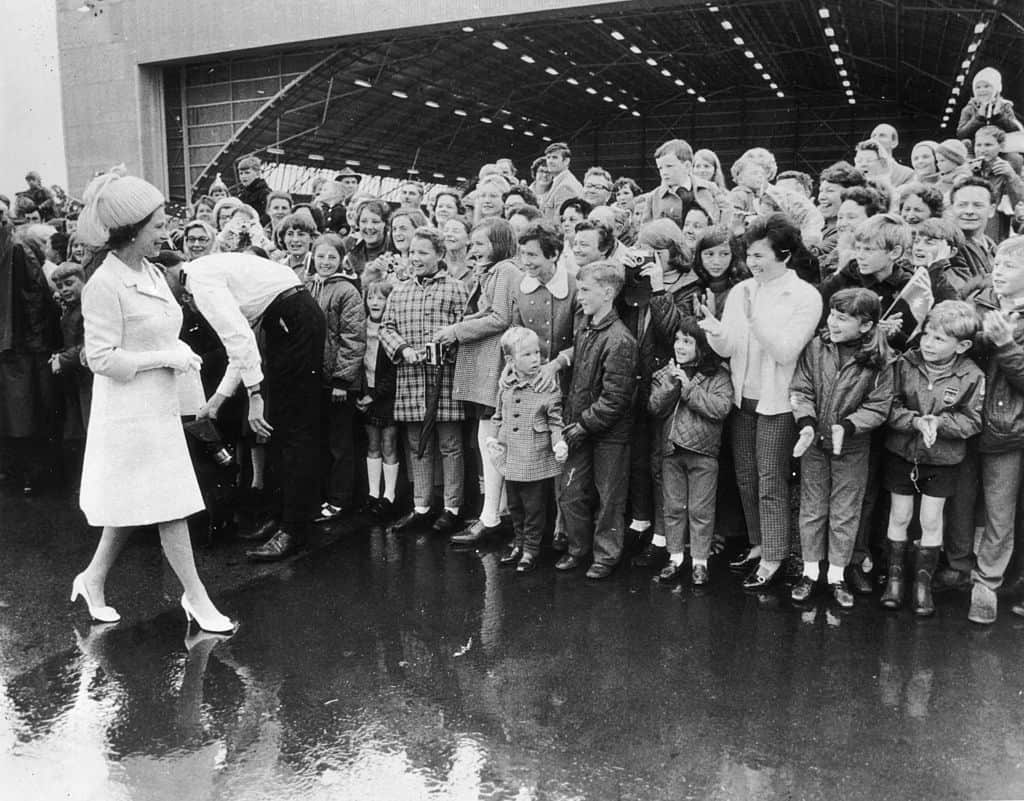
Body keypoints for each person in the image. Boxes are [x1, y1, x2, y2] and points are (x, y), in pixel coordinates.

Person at [71, 172, 233, 633]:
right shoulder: (103, 284)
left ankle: (93, 578)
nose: (167, 232)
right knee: (168, 503)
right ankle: (196, 597)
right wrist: (166, 356)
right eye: (158, 225)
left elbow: (164, 331)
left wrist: (180, 361)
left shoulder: (154, 272)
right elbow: (100, 358)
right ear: (131, 230)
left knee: (138, 502)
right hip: (126, 412)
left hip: (159, 405)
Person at [699, 214, 822, 589]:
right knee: (747, 479)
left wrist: (755, 321)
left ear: (783, 253)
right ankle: (758, 544)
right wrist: (713, 328)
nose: (752, 262)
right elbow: (730, 347)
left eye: (759, 254)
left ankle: (774, 556)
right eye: (749, 255)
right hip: (743, 399)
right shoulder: (742, 291)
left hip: (779, 402)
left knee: (771, 481)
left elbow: (786, 352)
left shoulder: (805, 296)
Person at [178, 251, 326, 562]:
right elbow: (240, 350)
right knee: (280, 431)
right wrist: (217, 400)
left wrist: (255, 397)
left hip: (293, 316)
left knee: (294, 431)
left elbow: (239, 338)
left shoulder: (200, 282)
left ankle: (294, 529)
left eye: (184, 301)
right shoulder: (202, 273)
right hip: (284, 316)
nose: (188, 306)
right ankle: (282, 518)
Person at [789, 289, 894, 607]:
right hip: (814, 443)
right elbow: (801, 386)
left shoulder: (881, 360)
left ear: (865, 325)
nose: (832, 322)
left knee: (845, 512)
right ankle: (810, 573)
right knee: (812, 508)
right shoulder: (816, 347)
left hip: (852, 447)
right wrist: (806, 422)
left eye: (842, 317)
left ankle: (836, 576)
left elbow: (879, 405)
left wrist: (847, 427)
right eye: (832, 314)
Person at [879, 301, 983, 616]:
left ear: (962, 345)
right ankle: (896, 580)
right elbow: (889, 405)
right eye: (926, 334)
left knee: (930, 520)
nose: (927, 343)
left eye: (939, 339)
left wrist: (939, 423)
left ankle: (922, 585)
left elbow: (973, 420)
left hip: (942, 460)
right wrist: (914, 421)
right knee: (899, 516)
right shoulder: (904, 364)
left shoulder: (971, 375)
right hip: (902, 454)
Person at [379, 227, 470, 534]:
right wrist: (403, 350)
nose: (415, 258)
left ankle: (452, 508)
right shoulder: (399, 291)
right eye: (412, 252)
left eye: (423, 252)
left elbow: (465, 331)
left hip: (444, 379)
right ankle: (421, 506)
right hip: (411, 378)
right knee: (417, 444)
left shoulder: (456, 289)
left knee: (450, 444)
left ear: (440, 255)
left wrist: (448, 350)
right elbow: (386, 329)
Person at [441, 218, 522, 544]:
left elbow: (500, 317)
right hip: (487, 364)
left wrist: (457, 330)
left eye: (479, 244)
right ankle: (494, 512)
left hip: (495, 364)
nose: (472, 250)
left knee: (490, 439)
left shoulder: (504, 271)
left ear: (499, 244)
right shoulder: (495, 271)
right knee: (487, 438)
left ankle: (492, 517)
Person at [556, 260, 638, 579]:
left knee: (609, 498)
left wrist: (582, 425)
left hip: (608, 435)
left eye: (586, 290)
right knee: (571, 492)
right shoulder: (586, 328)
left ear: (607, 293)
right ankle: (578, 549)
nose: (580, 297)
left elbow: (615, 399)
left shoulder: (620, 340)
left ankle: (605, 555)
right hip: (581, 428)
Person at [647, 317, 732, 585]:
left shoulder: (717, 376)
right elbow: (655, 408)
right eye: (677, 340)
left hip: (703, 453)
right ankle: (675, 558)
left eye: (688, 341)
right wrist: (672, 384)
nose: (680, 346)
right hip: (671, 452)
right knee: (672, 506)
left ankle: (700, 562)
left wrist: (689, 387)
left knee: (700, 509)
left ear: (702, 346)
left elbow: (720, 409)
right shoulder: (663, 374)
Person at [965, 237, 1024, 622]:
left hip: (1006, 430)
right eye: (997, 265)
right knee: (957, 508)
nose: (998, 272)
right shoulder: (979, 303)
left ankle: (986, 585)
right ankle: (957, 571)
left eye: (1009, 267)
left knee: (999, 513)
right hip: (964, 422)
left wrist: (1005, 346)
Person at [485, 327, 567, 573]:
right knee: (516, 506)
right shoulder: (506, 384)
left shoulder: (547, 386)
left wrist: (558, 441)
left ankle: (531, 550)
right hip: (511, 458)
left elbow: (555, 420)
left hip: (535, 457)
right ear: (511, 361)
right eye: (528, 355)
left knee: (534, 509)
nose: (537, 359)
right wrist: (494, 438)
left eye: (538, 353)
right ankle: (518, 544)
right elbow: (499, 416)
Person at [0, 217, 61, 496]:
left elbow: (35, 298)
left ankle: (31, 474)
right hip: (15, 343)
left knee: (24, 411)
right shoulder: (14, 247)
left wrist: (37, 342)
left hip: (20, 345)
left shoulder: (16, 249)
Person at [307, 234, 366, 522]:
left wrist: (342, 381)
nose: (325, 262)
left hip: (338, 384)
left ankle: (340, 500)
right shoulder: (307, 286)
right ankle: (320, 495)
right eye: (321, 256)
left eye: (331, 257)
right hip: (314, 380)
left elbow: (353, 338)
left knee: (340, 444)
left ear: (341, 259)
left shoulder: (346, 291)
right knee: (319, 442)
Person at [356, 269, 400, 520]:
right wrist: (363, 394)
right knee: (372, 444)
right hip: (366, 395)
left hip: (386, 397)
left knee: (388, 444)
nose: (375, 302)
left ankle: (389, 495)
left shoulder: (391, 331)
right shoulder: (362, 329)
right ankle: (373, 494)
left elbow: (394, 371)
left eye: (381, 298)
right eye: (371, 297)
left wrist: (376, 395)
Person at [49, 261, 92, 482]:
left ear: (82, 281)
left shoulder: (88, 307)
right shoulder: (70, 308)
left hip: (88, 378)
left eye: (69, 283)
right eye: (60, 286)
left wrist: (63, 360)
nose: (64, 289)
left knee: (88, 426)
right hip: (76, 377)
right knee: (78, 429)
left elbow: (88, 343)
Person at [644, 139, 725, 230]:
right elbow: (645, 232)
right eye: (660, 168)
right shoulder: (653, 198)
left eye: (669, 166)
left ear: (687, 166)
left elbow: (727, 212)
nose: (664, 172)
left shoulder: (710, 189)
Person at [972, 126, 1024, 242]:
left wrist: (1012, 176)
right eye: (978, 145)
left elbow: (1020, 202)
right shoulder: (969, 168)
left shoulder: (1007, 169)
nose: (982, 149)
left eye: (988, 145)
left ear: (1001, 147)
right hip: (970, 224)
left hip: (995, 230)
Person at [957, 66, 1024, 140]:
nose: (982, 90)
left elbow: (1017, 130)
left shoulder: (1005, 106)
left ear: (996, 88)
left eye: (986, 86)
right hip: (977, 148)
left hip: (1001, 147)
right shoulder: (969, 108)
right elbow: (961, 134)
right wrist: (979, 118)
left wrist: (999, 116)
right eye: (978, 87)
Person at [951, 177, 999, 279]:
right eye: (962, 205)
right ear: (952, 209)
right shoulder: (949, 246)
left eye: (978, 205)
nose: (969, 211)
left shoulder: (992, 246)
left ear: (991, 210)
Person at [539, 142, 584, 223]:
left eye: (554, 157)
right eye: (548, 157)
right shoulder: (560, 181)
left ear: (566, 161)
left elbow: (560, 222)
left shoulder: (566, 186)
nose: (550, 161)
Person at [235, 156, 271, 226]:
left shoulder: (265, 193)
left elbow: (268, 215)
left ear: (257, 174)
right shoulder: (242, 194)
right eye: (241, 173)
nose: (243, 176)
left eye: (247, 173)